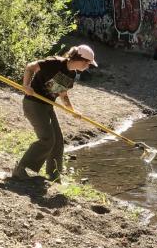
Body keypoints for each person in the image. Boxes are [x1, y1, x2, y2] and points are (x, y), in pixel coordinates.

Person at [12, 45, 98, 182]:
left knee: (57, 141)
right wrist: (26, 86)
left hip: (47, 106)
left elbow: (62, 93)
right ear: (81, 60)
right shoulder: (54, 63)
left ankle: (54, 175)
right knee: (47, 139)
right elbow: (30, 67)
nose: (88, 67)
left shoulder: (72, 74)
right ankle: (20, 169)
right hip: (33, 104)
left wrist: (72, 111)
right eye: (88, 64)